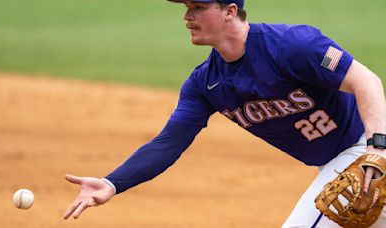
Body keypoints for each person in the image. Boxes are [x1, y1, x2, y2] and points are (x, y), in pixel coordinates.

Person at [63, 0, 386, 226]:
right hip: (340, 165)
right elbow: (168, 143)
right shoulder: (205, 83)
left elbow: (365, 80)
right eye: (187, 8)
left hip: (368, 150)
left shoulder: (291, 44)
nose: (188, 16)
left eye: (199, 7)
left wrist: (377, 148)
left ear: (230, 11)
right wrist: (112, 183)